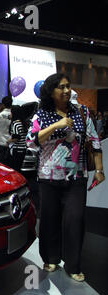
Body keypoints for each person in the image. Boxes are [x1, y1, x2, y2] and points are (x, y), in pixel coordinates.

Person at [27, 73, 104, 282]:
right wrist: (55, 126)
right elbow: (31, 142)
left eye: (68, 86)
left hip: (76, 177)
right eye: (61, 87)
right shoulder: (41, 115)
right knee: (50, 219)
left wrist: (99, 169)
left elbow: (94, 140)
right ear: (51, 92)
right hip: (48, 176)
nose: (66, 90)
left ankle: (73, 264)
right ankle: (50, 257)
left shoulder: (82, 112)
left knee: (75, 220)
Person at [7, 105, 28, 172]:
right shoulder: (23, 123)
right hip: (23, 148)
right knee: (18, 168)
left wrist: (8, 141)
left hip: (17, 148)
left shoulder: (15, 123)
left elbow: (16, 137)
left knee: (14, 168)